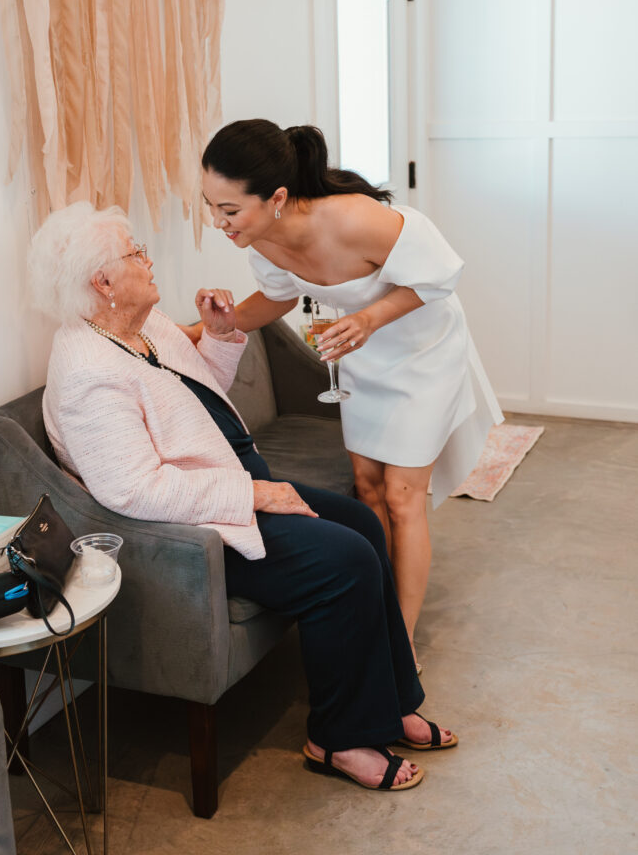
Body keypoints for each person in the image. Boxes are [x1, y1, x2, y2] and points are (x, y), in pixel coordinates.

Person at [28, 201, 457, 794]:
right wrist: (251, 491)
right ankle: (336, 738)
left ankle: (393, 702)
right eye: (136, 253)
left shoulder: (142, 327)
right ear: (102, 282)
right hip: (202, 521)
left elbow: (200, 398)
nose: (149, 261)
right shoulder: (85, 371)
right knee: (344, 561)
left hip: (233, 477)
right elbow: (133, 487)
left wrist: (223, 335)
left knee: (362, 521)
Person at [200, 119, 503, 666]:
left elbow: (439, 277)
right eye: (211, 207)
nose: (219, 223)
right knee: (367, 488)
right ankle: (377, 610)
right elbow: (275, 301)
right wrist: (200, 330)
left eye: (229, 210)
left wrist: (368, 319)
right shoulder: (262, 241)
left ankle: (399, 642)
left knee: (403, 496)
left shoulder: (354, 219)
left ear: (278, 198)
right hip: (361, 353)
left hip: (421, 351)